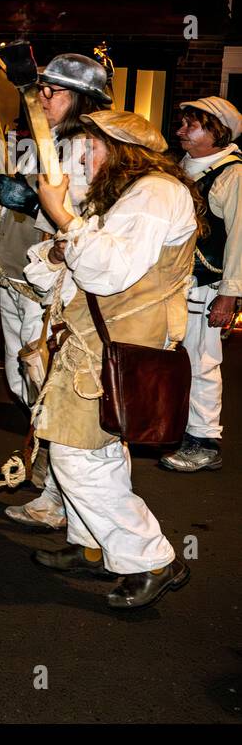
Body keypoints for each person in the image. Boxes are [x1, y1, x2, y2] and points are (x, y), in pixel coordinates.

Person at [24, 110, 201, 610]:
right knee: (95, 448)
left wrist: (63, 219)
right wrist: (61, 248)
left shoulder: (154, 193)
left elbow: (107, 272)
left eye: (90, 149)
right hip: (96, 340)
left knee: (77, 455)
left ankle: (151, 559)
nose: (81, 161)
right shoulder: (124, 194)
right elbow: (57, 269)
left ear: (124, 151)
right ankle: (91, 542)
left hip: (122, 343)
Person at [2, 53, 111, 531]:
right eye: (41, 88)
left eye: (55, 91)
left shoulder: (90, 148)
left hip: (53, 290)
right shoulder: (43, 143)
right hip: (17, 280)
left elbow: (84, 221)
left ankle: (59, 498)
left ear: (83, 100)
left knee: (49, 389)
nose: (43, 97)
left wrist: (37, 205)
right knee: (23, 380)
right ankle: (51, 481)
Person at [159, 96, 241, 472]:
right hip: (173, 282)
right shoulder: (183, 167)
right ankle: (177, 426)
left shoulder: (232, 175)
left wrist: (229, 294)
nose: (180, 132)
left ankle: (204, 440)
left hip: (204, 285)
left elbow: (241, 239)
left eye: (191, 126)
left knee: (202, 361)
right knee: (175, 360)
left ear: (216, 131)